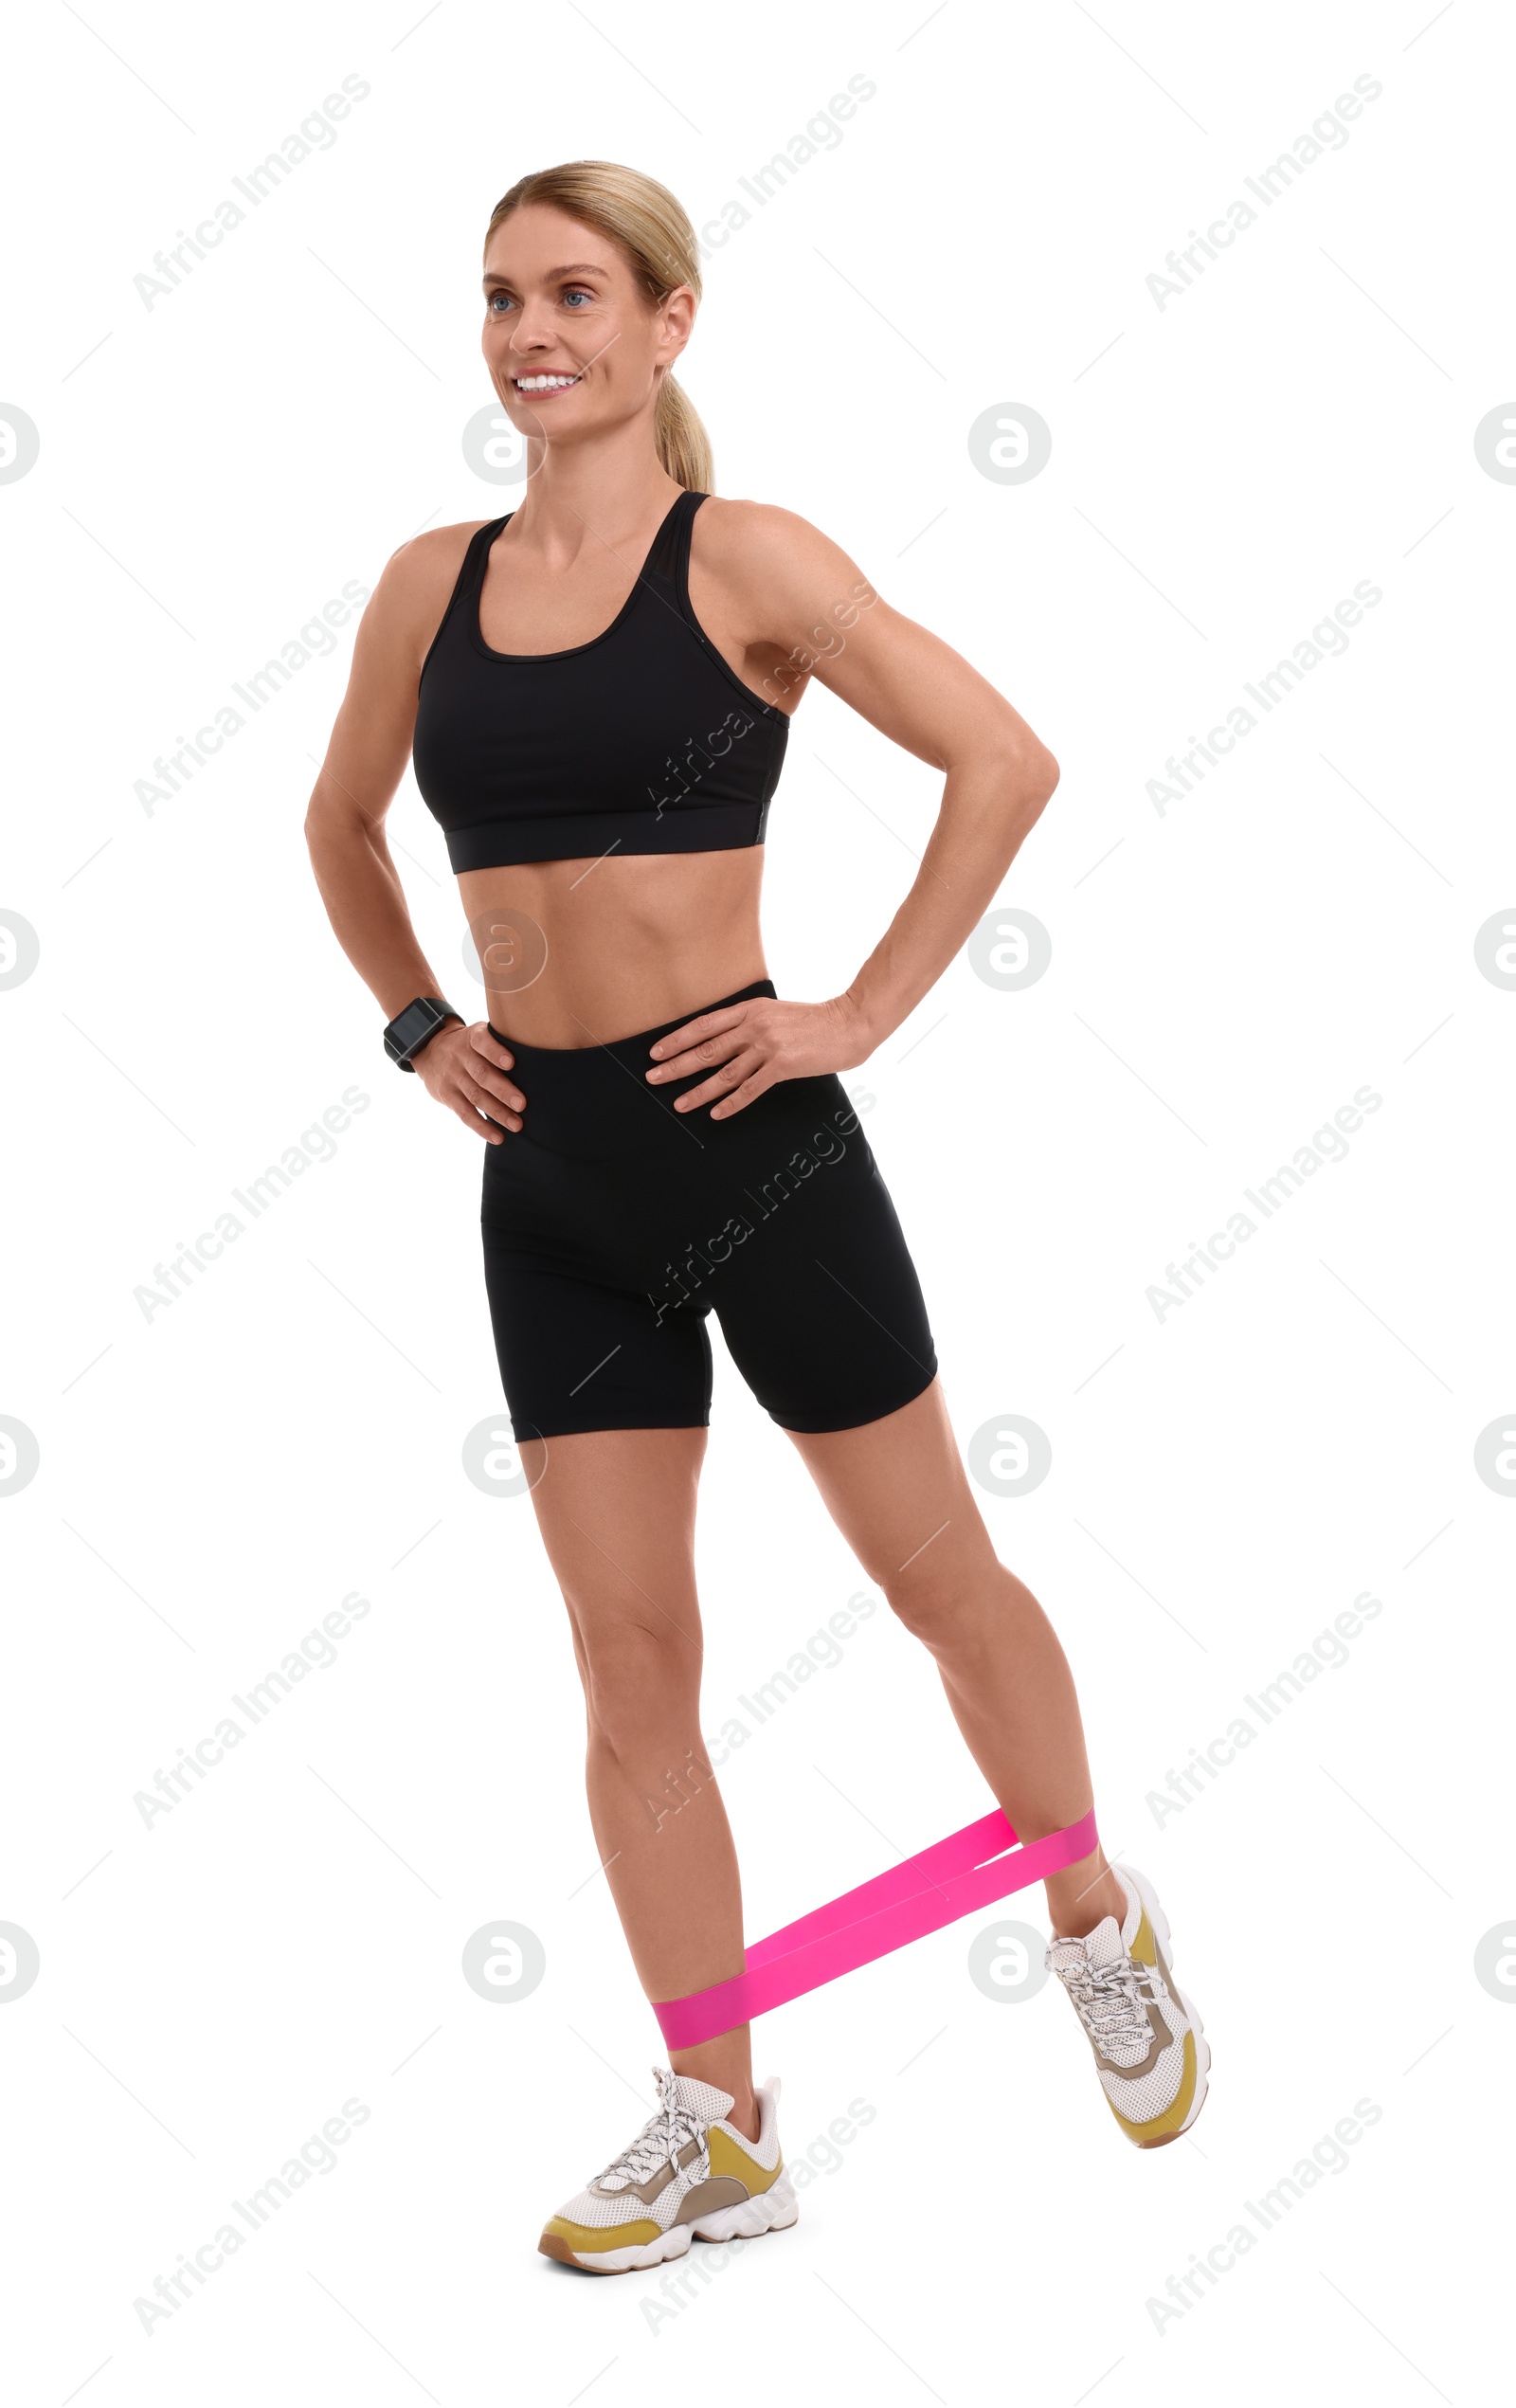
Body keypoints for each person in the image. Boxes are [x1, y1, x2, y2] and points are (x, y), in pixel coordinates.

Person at [305, 158, 1208, 2276]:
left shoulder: (748, 557)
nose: (535, 331)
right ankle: (716, 2116)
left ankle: (1088, 1909)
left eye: (578, 294)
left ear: (666, 325)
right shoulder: (423, 584)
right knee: (629, 1662)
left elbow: (1000, 756)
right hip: (550, 1183)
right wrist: (417, 1018)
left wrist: (854, 1017)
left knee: (937, 1585)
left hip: (751, 1143)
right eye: (505, 296)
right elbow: (337, 823)